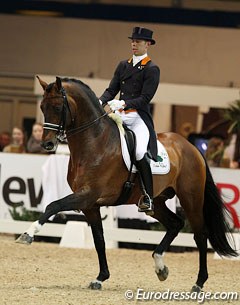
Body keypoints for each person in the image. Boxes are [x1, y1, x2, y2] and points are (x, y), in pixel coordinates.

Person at [100, 26, 160, 212]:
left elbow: (145, 98)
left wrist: (123, 103)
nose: (134, 44)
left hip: (138, 117)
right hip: (120, 116)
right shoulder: (123, 65)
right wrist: (99, 100)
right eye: (133, 41)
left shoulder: (151, 68)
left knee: (140, 152)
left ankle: (148, 196)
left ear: (147, 44)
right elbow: (112, 90)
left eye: (139, 41)